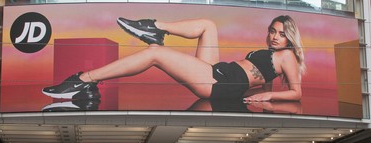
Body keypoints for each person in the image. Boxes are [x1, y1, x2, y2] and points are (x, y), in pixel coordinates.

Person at [42, 15, 305, 104]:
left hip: (219, 83)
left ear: (289, 37)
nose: (274, 36)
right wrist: (259, 91)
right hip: (221, 73)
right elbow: (263, 80)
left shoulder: (287, 55)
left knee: (155, 54)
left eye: (281, 34)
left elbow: (295, 92)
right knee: (208, 25)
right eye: (272, 31)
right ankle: (155, 27)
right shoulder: (273, 55)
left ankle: (84, 80)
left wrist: (268, 96)